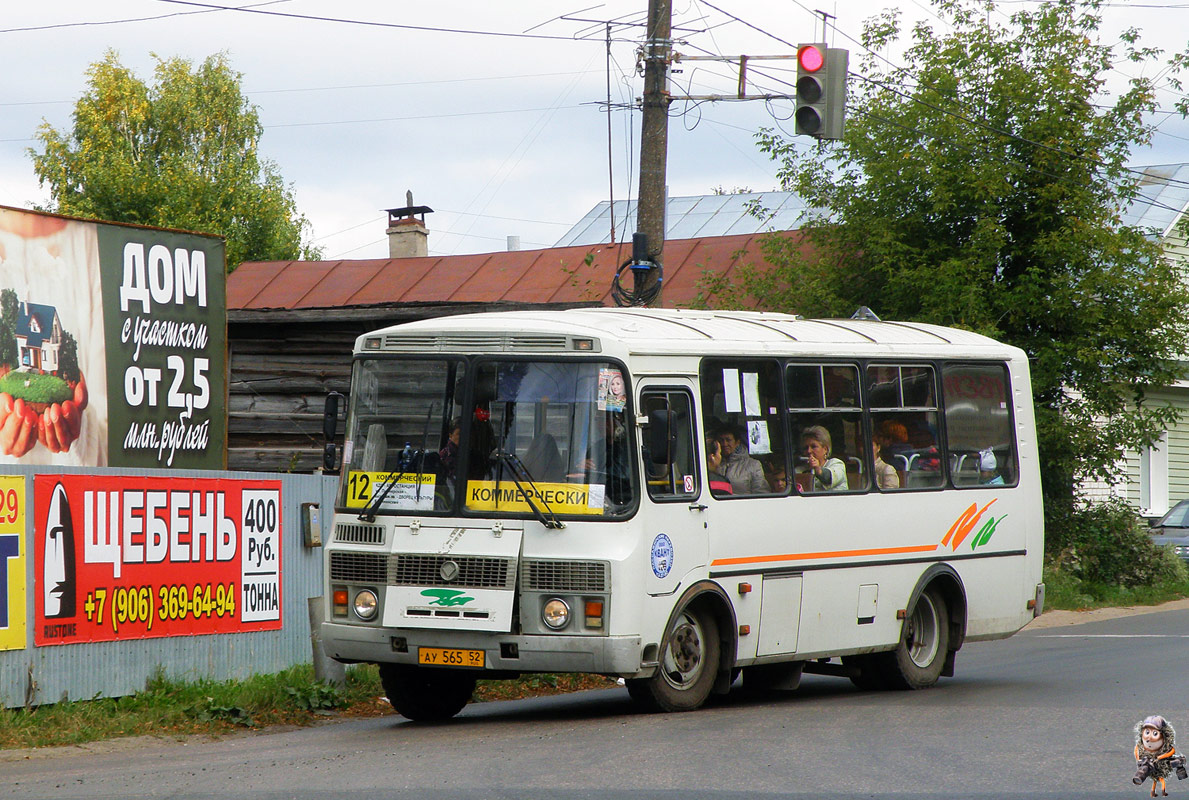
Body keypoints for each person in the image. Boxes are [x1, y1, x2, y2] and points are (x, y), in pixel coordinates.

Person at [718, 424, 768, 494]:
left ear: (737, 442)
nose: (724, 444)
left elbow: (761, 493)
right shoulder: (714, 463)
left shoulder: (753, 465)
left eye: (728, 440)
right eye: (721, 440)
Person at [801, 425, 847, 492]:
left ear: (825, 449)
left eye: (813, 446)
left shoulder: (837, 464)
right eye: (806, 448)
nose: (808, 451)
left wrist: (817, 469)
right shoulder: (800, 470)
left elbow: (828, 479)